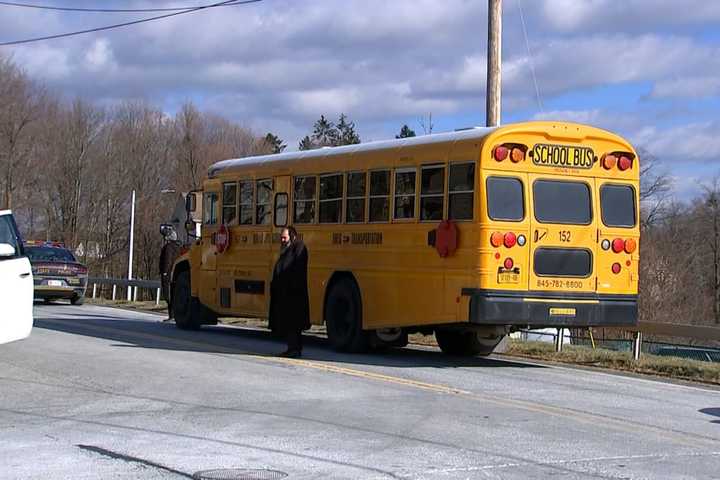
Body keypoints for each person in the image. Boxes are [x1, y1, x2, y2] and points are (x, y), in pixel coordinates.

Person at [269, 226, 310, 358]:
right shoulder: (286, 250)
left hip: (294, 294)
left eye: (284, 237)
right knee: (288, 324)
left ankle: (295, 349)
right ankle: (291, 348)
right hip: (285, 294)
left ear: (292, 237)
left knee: (294, 324)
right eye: (281, 237)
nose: (282, 239)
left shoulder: (299, 248)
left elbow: (297, 270)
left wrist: (289, 285)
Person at [159, 229, 181, 319]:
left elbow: (167, 260)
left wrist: (164, 271)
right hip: (175, 274)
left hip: (168, 273)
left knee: (167, 295)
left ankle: (171, 316)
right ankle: (173, 315)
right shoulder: (178, 247)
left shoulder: (168, 247)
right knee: (173, 294)